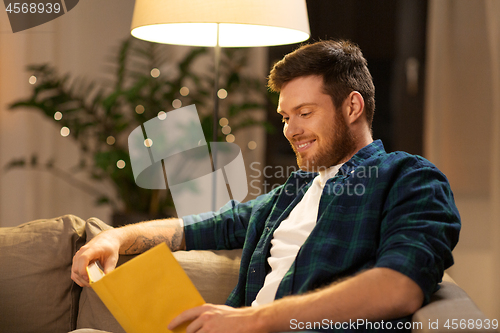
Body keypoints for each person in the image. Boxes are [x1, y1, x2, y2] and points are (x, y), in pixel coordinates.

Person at [72, 40, 461, 332]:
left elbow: (400, 286)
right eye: (285, 117)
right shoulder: (294, 192)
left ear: (353, 107)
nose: (291, 131)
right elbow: (201, 226)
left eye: (305, 113)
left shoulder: (409, 178)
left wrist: (252, 320)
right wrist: (116, 241)